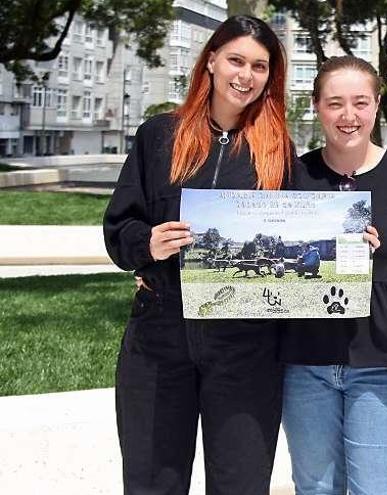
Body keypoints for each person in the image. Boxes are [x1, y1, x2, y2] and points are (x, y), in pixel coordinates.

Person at [103, 16, 292, 495]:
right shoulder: (159, 136)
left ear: (271, 77)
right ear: (210, 61)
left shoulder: (277, 152)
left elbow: (300, 231)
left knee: (241, 483)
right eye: (235, 60)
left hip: (246, 342)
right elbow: (119, 225)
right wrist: (146, 243)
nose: (245, 75)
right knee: (152, 481)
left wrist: (352, 238)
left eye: (259, 66)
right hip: (160, 334)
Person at [278, 56, 387, 495]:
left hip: (384, 360)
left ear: (376, 105)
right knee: (314, 487)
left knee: (377, 488)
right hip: (305, 360)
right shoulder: (290, 178)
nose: (348, 116)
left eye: (360, 102)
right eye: (335, 103)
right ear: (316, 107)